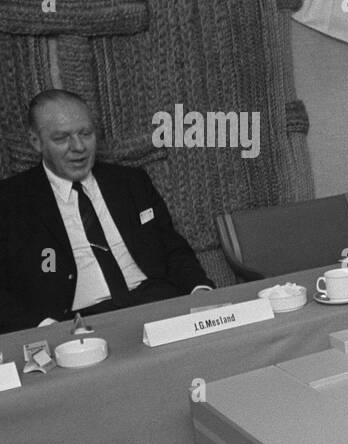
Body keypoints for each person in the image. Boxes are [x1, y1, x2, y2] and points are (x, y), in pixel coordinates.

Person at [0, 89, 214, 334]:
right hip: (78, 324)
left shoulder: (131, 182)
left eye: (86, 133)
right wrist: (46, 328)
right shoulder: (10, 201)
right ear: (36, 141)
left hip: (157, 302)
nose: (78, 147)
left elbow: (172, 247)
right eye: (61, 138)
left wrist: (200, 290)